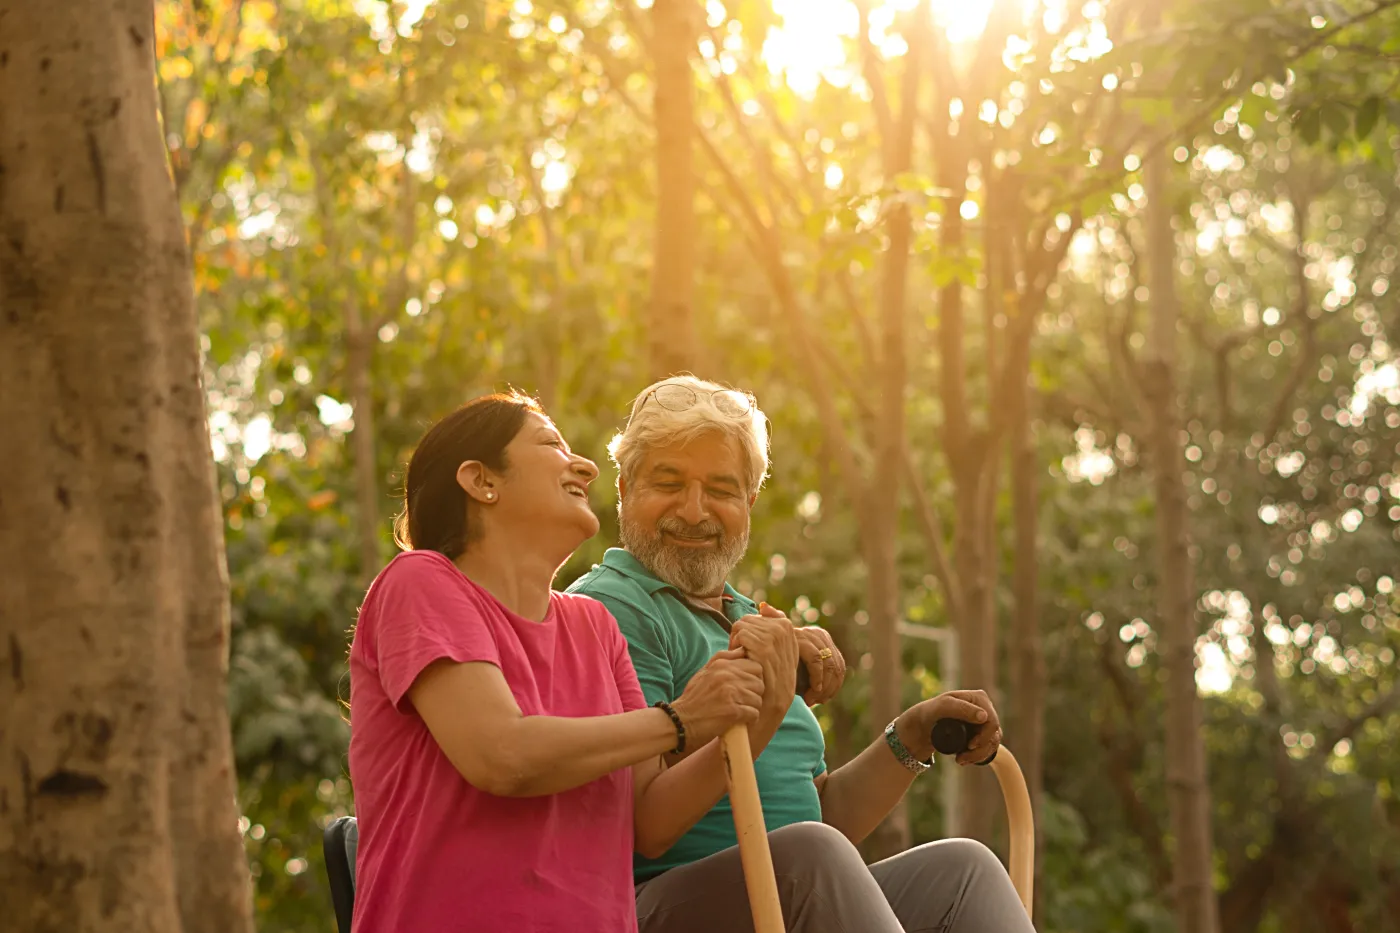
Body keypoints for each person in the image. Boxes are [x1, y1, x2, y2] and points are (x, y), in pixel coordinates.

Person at [567, 375, 1035, 933]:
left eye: (720, 490)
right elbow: (646, 823)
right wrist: (764, 704)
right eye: (668, 483)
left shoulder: (754, 620)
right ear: (624, 489)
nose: (694, 512)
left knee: (965, 869)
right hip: (651, 908)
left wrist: (910, 737)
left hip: (783, 892)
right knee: (808, 859)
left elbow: (817, 815)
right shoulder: (612, 608)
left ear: (749, 500)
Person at [346, 391, 767, 933]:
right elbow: (501, 755)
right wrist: (682, 719)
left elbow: (651, 822)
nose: (587, 466)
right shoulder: (420, 582)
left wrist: (755, 706)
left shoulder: (596, 628)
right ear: (481, 480)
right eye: (550, 444)